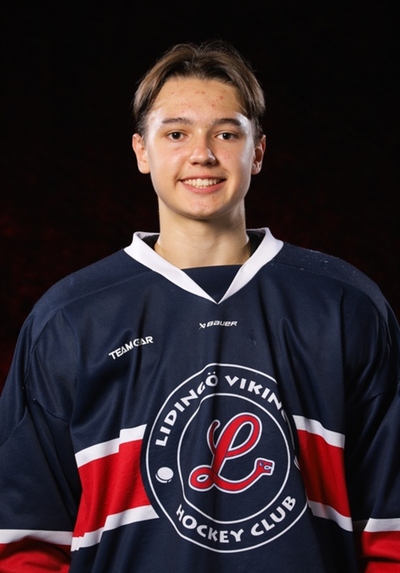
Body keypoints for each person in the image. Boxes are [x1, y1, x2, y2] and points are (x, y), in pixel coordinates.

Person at [0, 41, 399, 573]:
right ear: (142, 151)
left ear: (258, 151)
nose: (203, 154)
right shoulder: (70, 319)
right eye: (176, 133)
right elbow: (25, 541)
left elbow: (391, 531)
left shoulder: (345, 304)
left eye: (227, 134)